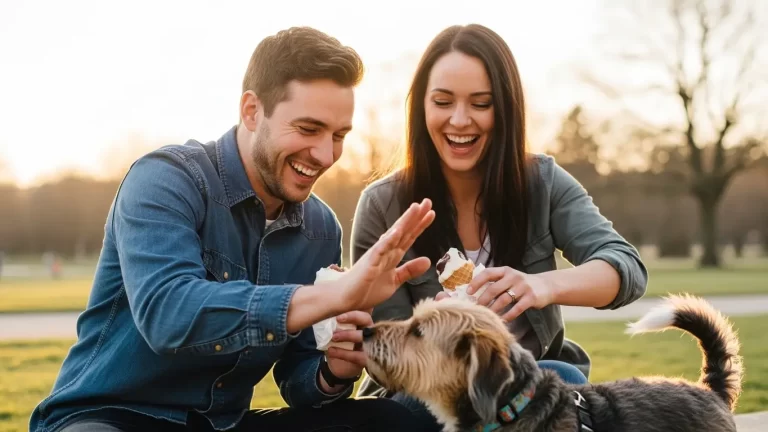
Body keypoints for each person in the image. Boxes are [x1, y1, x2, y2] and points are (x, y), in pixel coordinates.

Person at [30, 26, 437, 432]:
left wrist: (332, 370)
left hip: (220, 425)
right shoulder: (165, 179)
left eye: (339, 135)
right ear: (252, 111)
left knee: (389, 420)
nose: (326, 154)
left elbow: (298, 379)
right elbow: (168, 313)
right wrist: (325, 297)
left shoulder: (321, 229)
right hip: (111, 417)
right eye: (308, 129)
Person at [351, 24, 648, 428]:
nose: (460, 120)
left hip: (523, 400)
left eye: (481, 103)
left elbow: (626, 268)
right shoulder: (382, 204)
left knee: (563, 377)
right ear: (421, 108)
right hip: (420, 399)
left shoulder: (542, 183)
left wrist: (540, 286)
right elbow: (386, 353)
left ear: (506, 108)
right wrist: (434, 329)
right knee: (405, 413)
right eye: (442, 102)